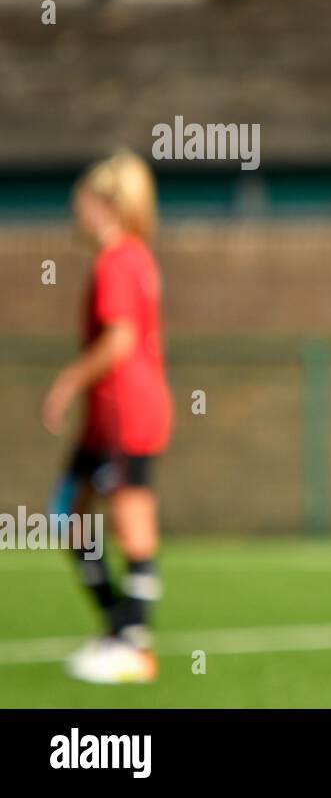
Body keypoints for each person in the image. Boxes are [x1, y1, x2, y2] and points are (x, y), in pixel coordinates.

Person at [42, 150, 173, 684]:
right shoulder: (137, 256)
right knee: (68, 512)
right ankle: (120, 630)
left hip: (126, 410)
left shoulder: (119, 260)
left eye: (82, 206)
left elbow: (119, 340)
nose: (77, 217)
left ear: (104, 206)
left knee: (129, 518)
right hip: (113, 413)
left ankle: (132, 643)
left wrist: (70, 379)